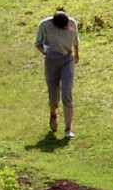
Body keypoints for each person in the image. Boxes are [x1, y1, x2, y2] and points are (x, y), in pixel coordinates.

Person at [34, 8, 79, 139]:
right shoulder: (44, 25)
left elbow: (75, 41)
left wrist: (77, 55)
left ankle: (68, 129)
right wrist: (44, 51)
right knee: (53, 96)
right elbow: (37, 43)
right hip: (51, 60)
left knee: (66, 94)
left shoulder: (72, 23)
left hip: (67, 59)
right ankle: (53, 113)